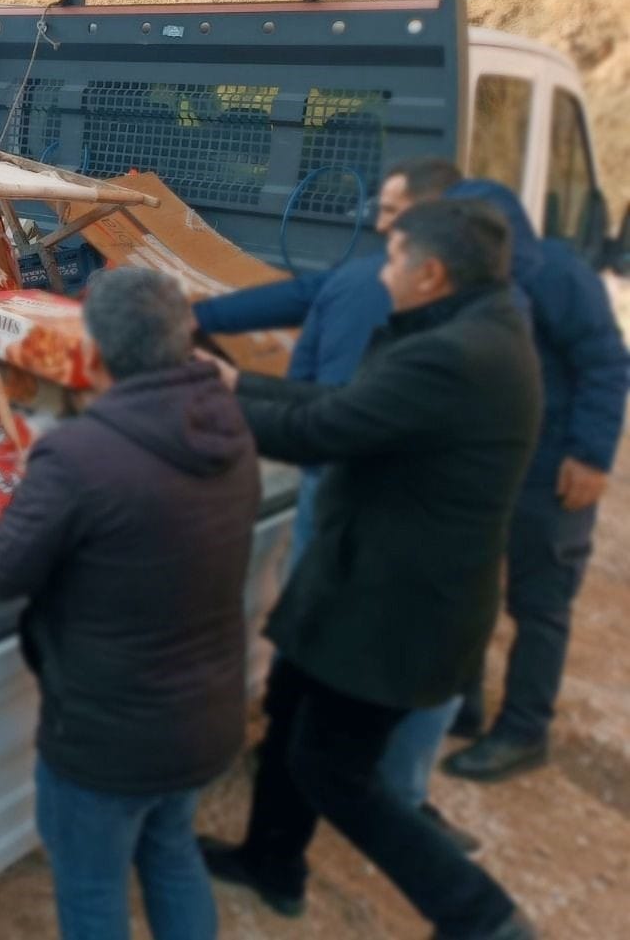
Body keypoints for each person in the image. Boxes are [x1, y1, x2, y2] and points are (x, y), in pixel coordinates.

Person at [197, 201, 542, 940]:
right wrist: (232, 384)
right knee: (289, 707)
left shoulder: (452, 355)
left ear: (429, 273)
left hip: (393, 607)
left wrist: (213, 398)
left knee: (333, 770)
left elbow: (322, 429)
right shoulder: (479, 329)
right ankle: (271, 861)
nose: (379, 272)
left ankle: (479, 915)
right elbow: (349, 402)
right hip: (368, 575)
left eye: (391, 258)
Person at [0, 267, 259, 940]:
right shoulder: (229, 427)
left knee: (92, 886)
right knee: (171, 854)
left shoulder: (79, 454)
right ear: (185, 342)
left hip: (108, 740)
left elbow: (0, 567)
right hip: (205, 714)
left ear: (93, 354)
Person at [194, 157, 480, 849]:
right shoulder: (451, 302)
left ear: (425, 227)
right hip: (398, 517)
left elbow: (331, 419)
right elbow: (301, 293)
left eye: (388, 214)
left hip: (350, 493)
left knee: (318, 637)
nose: (373, 225)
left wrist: (231, 397)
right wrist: (195, 311)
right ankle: (339, 776)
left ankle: (366, 789)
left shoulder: (378, 296)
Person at [441, 179, 630, 781]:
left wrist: (592, 456)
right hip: (496, 462)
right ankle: (461, 707)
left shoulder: (558, 276)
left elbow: (605, 362)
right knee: (471, 580)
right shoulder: (475, 276)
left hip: (554, 467)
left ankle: (525, 731)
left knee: (540, 602)